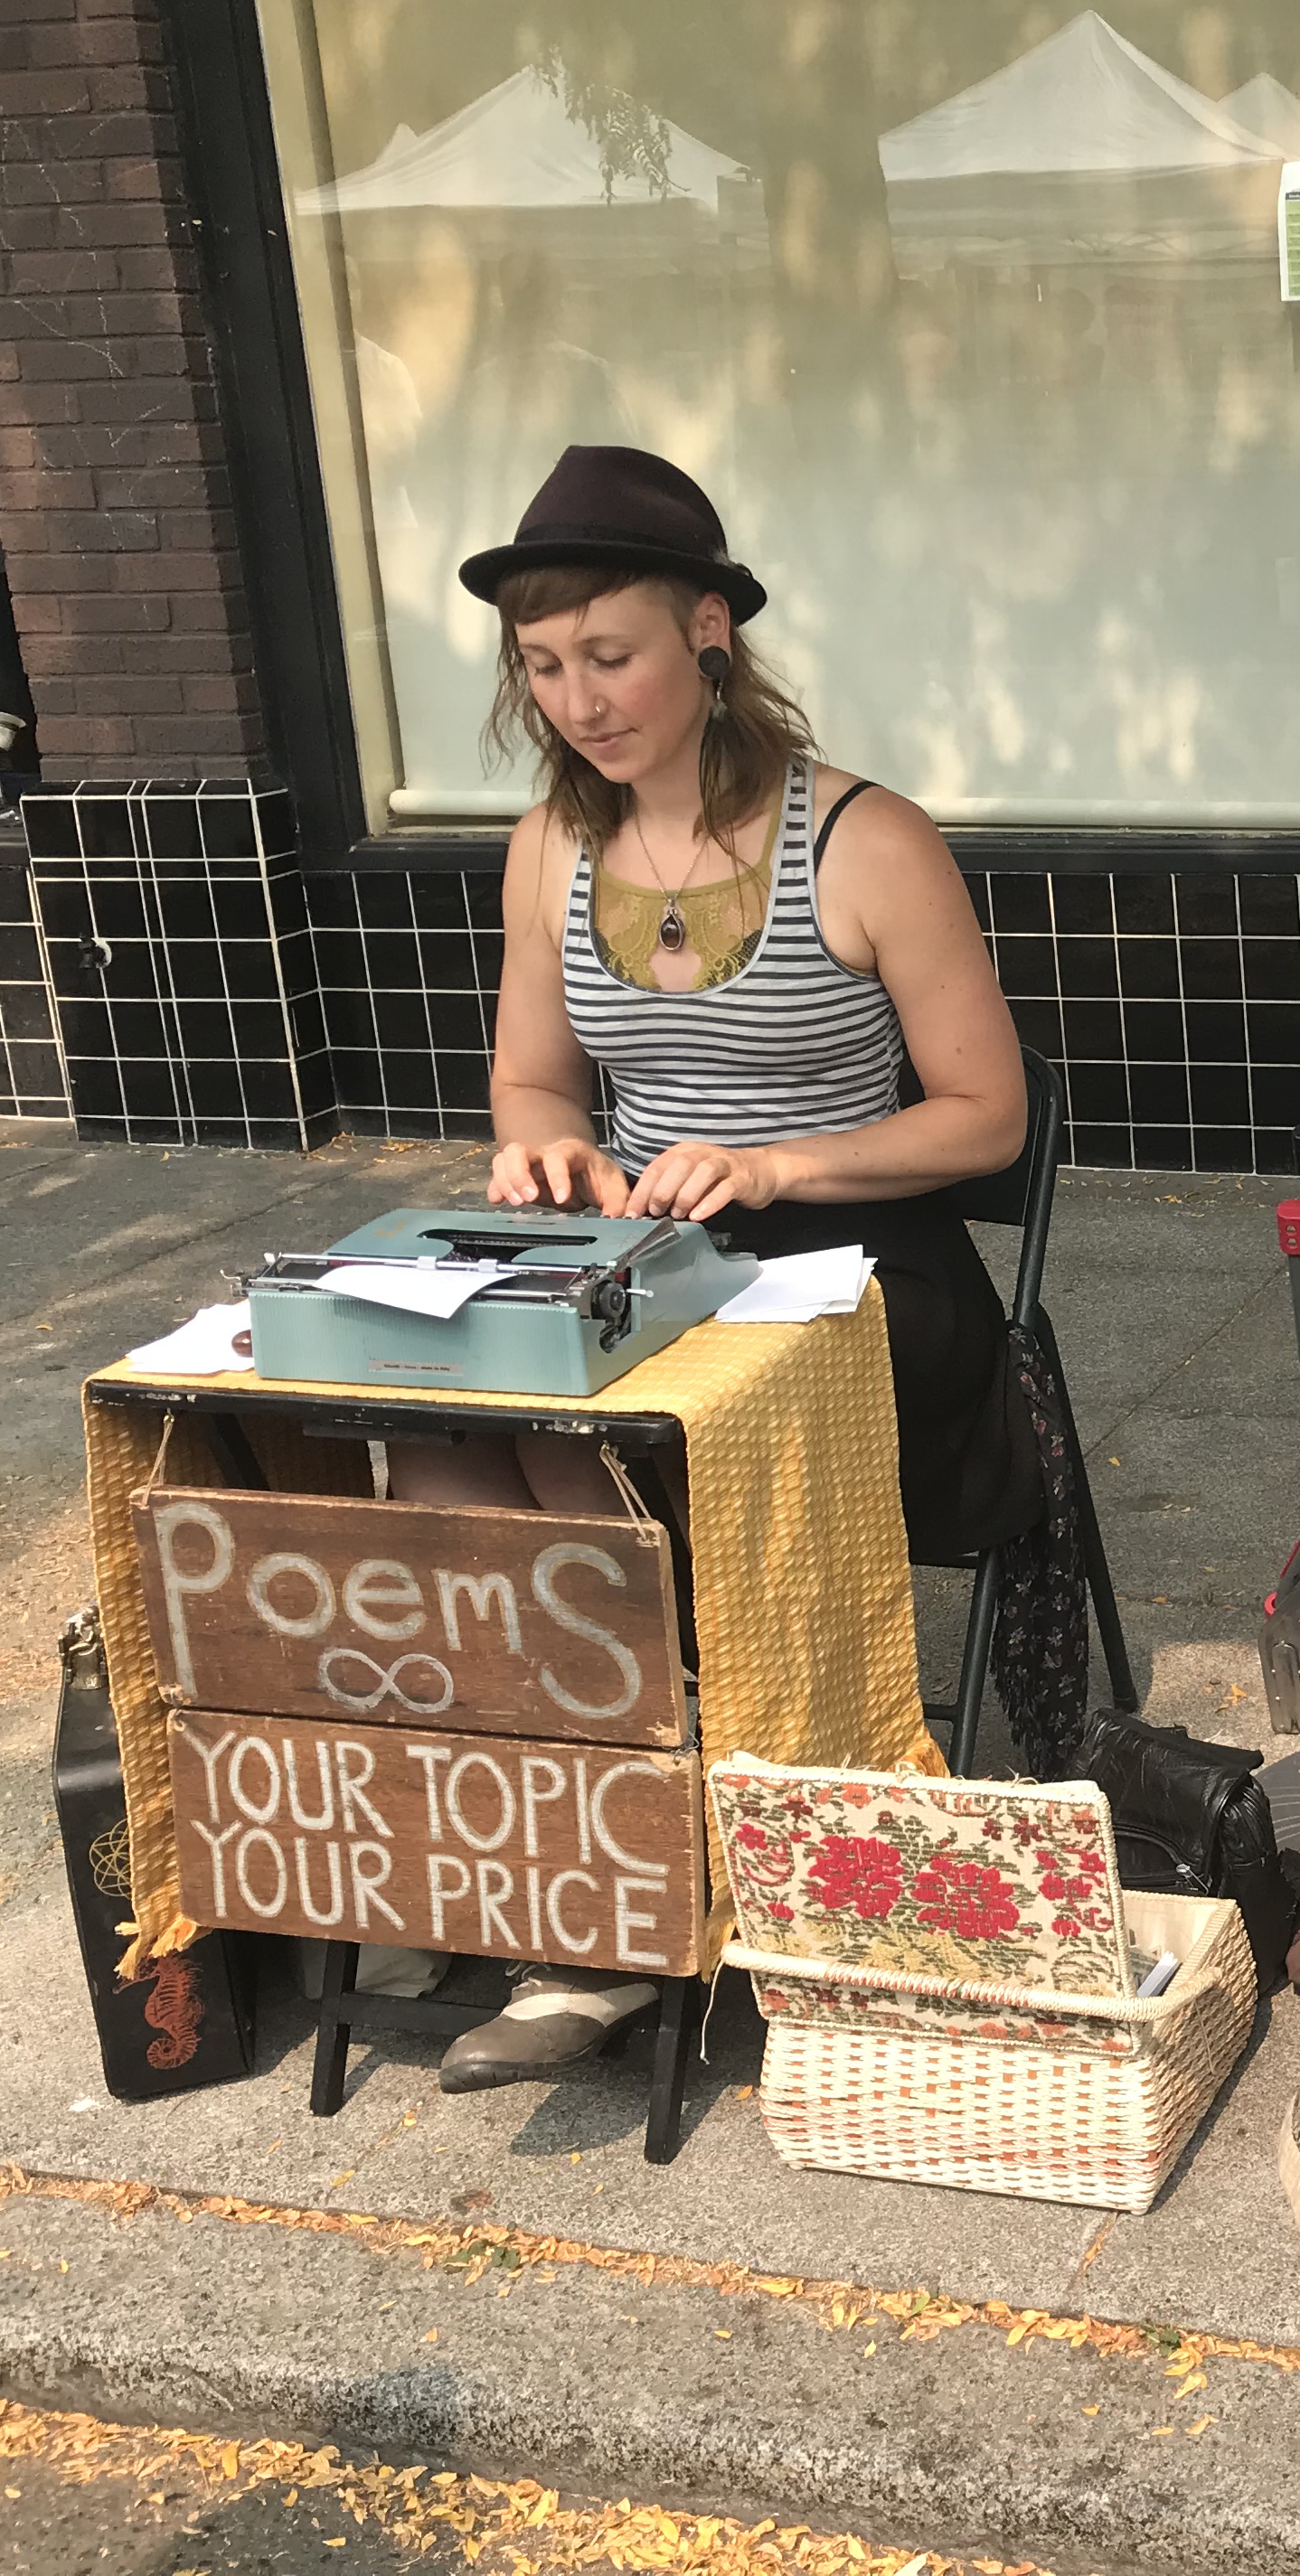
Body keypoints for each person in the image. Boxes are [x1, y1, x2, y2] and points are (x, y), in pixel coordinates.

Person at [391, 443, 1043, 2091]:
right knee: (442, 1443)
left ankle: (611, 1906)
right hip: (659, 1250)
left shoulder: (867, 839)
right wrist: (542, 1152)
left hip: (864, 1267)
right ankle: (627, 1841)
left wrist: (778, 1162)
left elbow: (985, 1118)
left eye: (608, 656)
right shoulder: (556, 841)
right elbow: (535, 1083)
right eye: (545, 669)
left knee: (627, 1458)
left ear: (709, 634)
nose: (579, 701)